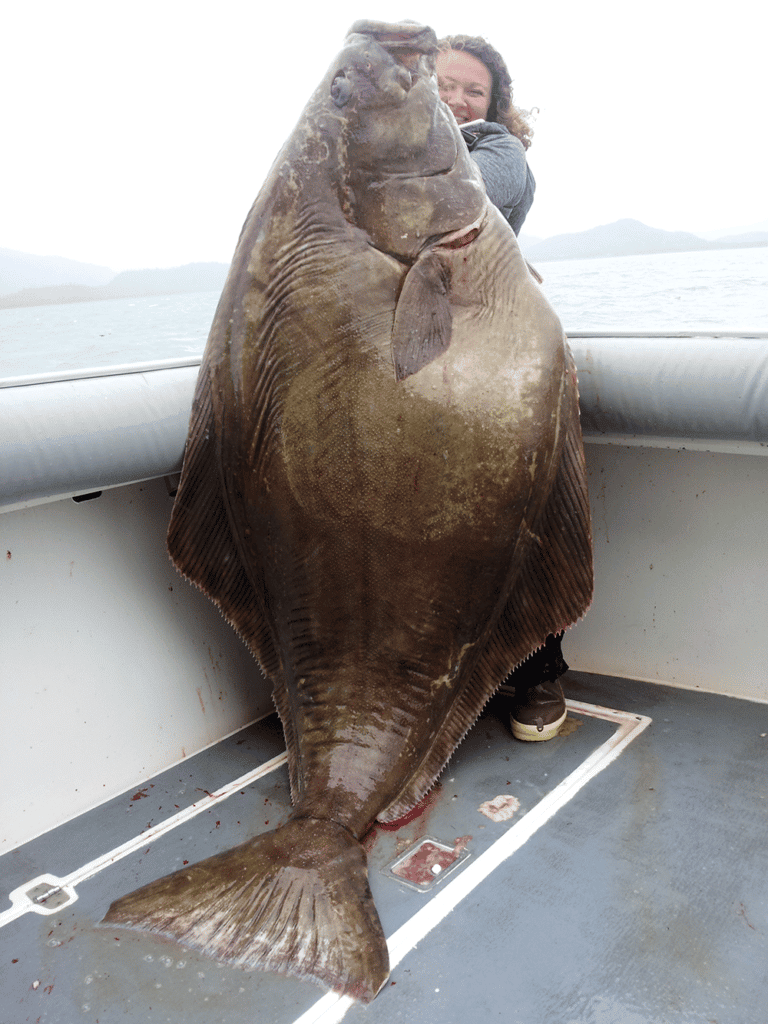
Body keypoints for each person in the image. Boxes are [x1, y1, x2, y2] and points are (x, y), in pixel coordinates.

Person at [436, 36, 569, 742]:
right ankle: (450, 677)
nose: (457, 101)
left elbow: (461, 208)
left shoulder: (495, 151)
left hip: (495, 369)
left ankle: (537, 673)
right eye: (443, 86)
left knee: (518, 522)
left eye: (473, 91)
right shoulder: (389, 161)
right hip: (422, 375)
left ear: (494, 106)